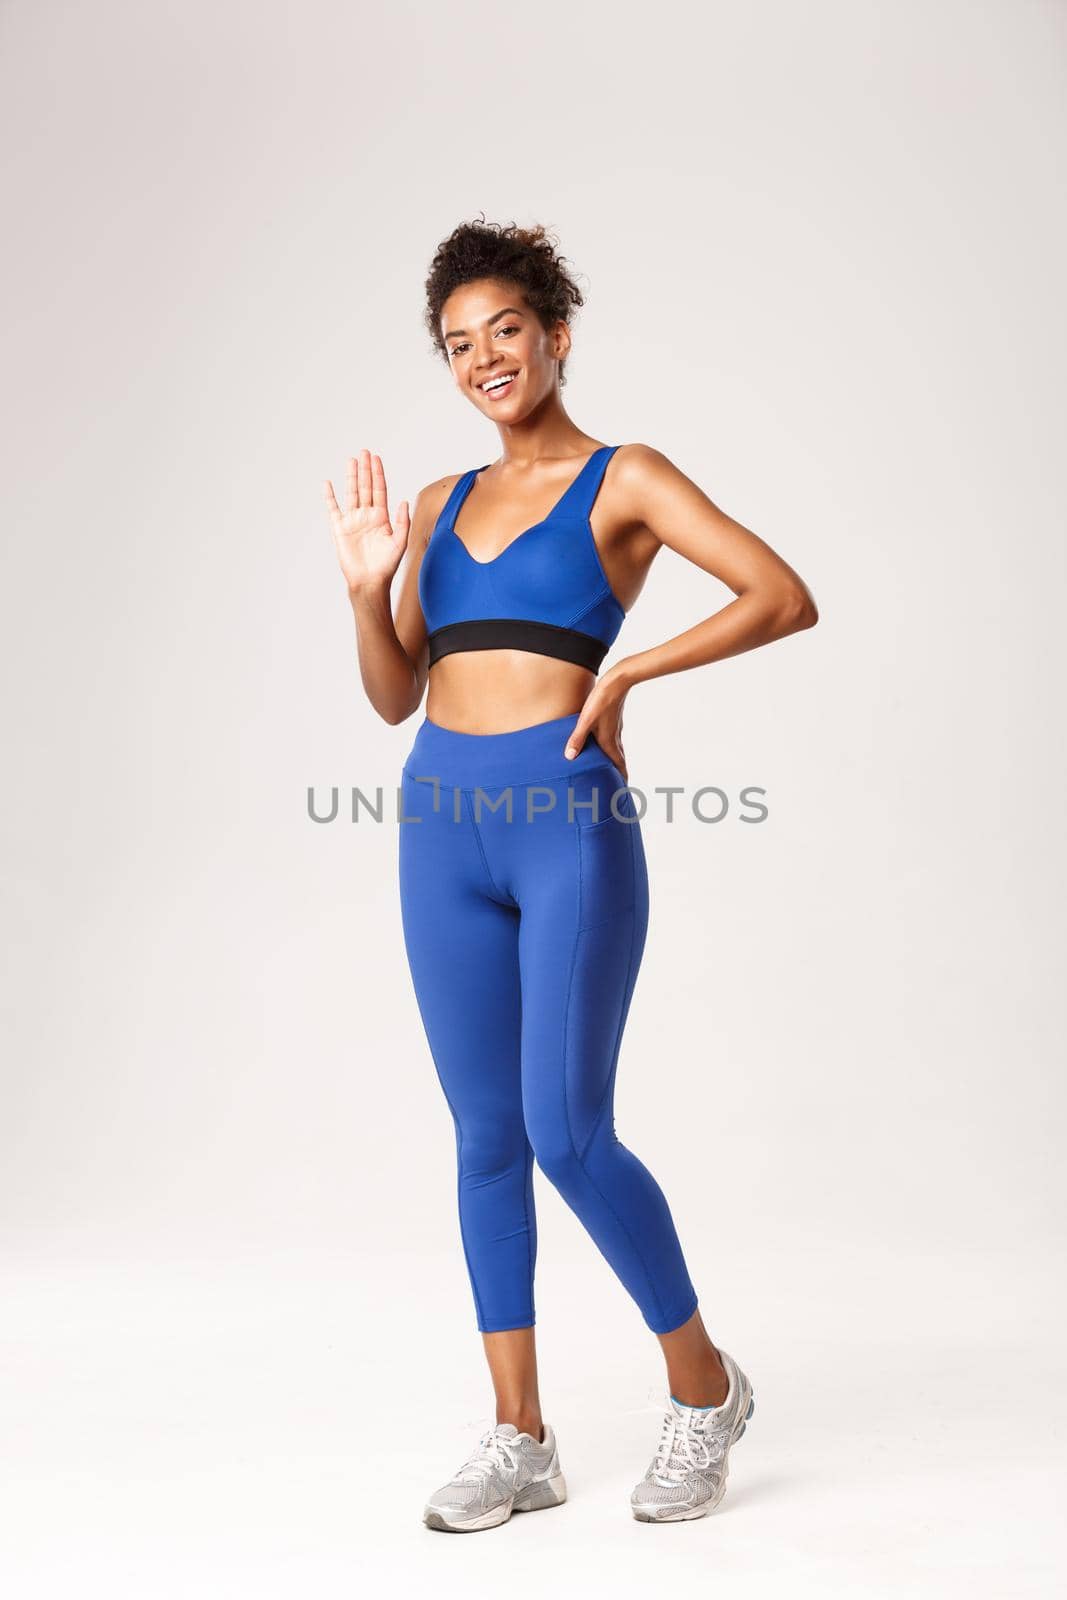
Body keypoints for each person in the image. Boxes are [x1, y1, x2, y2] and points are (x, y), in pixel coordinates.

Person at [324, 217, 818, 1532]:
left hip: (565, 821)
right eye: (457, 344)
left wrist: (637, 667)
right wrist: (368, 593)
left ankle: (705, 1389)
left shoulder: (625, 478)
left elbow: (780, 593)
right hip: (439, 821)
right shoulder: (437, 505)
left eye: (504, 331)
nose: (483, 358)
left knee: (567, 1131)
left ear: (554, 331)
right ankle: (519, 1436)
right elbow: (390, 697)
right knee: (486, 1139)